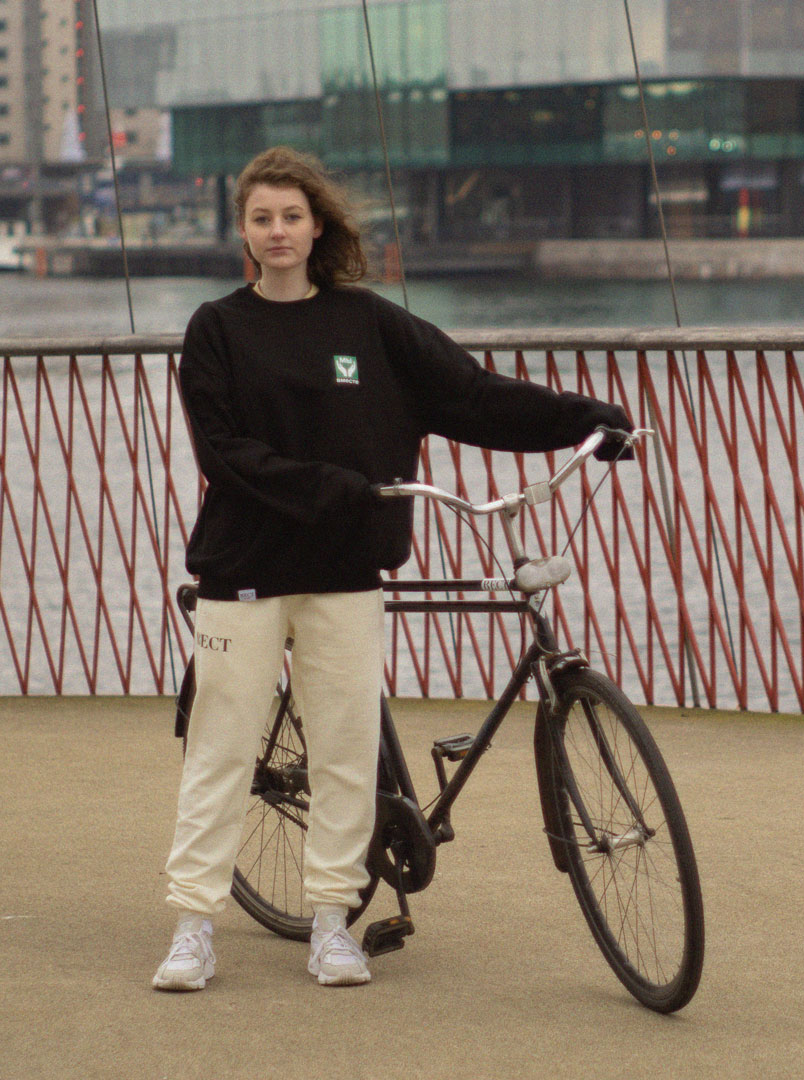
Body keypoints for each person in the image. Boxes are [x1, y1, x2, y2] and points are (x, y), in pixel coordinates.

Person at [153, 147, 631, 991]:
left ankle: (333, 921)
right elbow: (225, 455)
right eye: (261, 219)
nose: (277, 233)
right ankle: (194, 924)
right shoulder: (216, 329)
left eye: (292, 217)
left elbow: (473, 395)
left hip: (346, 570)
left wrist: (588, 421)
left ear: (318, 225)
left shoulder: (368, 324)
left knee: (344, 748)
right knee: (222, 751)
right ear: (243, 230)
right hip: (246, 572)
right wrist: (335, 488)